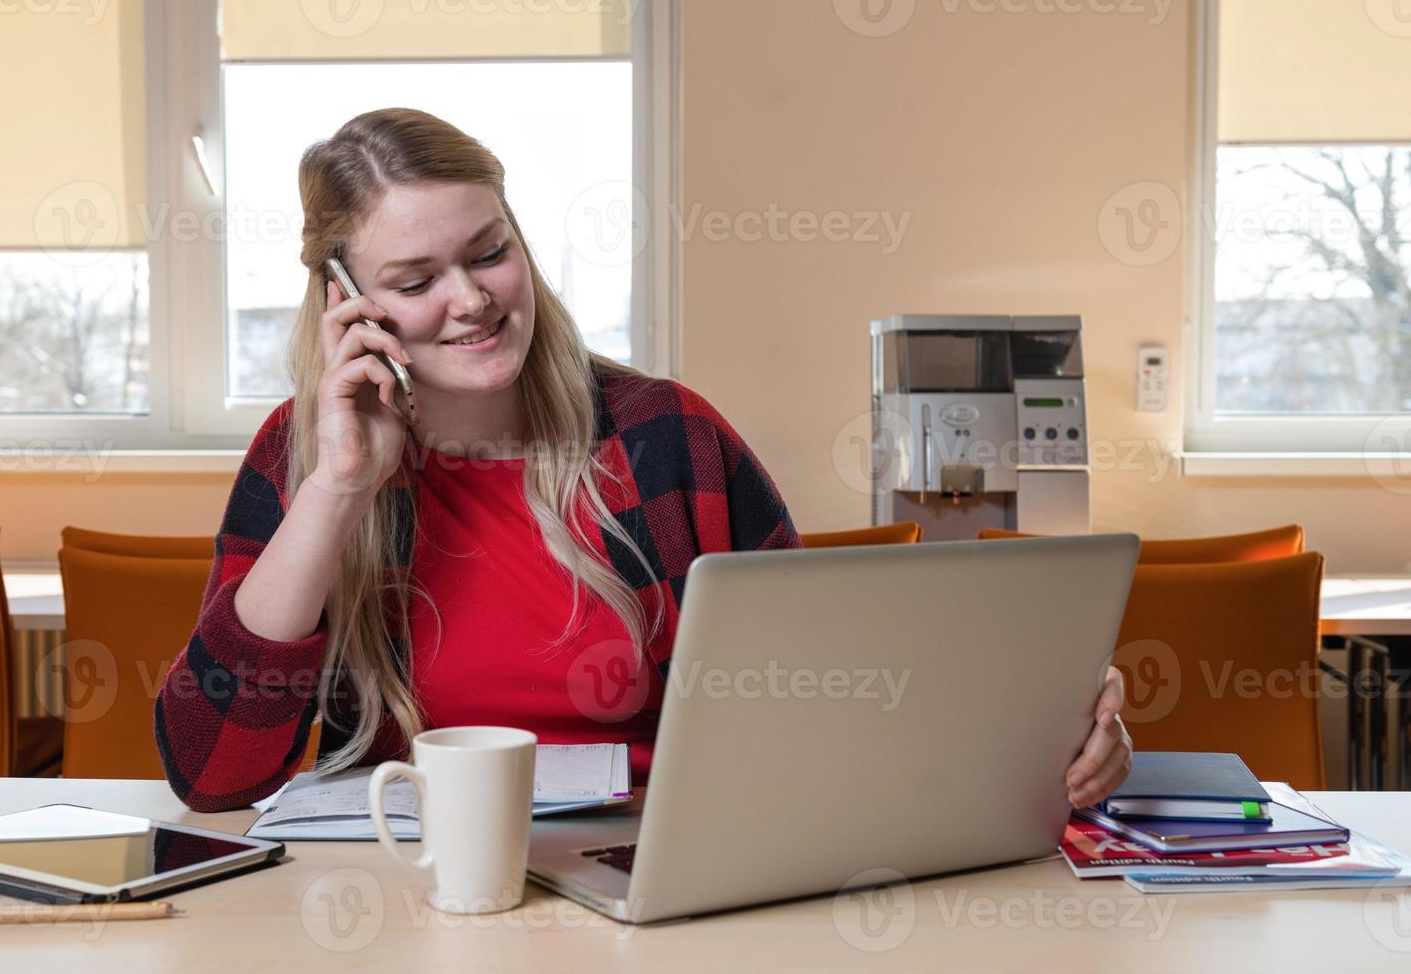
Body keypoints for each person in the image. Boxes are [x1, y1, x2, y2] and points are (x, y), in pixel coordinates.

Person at [154, 107, 1131, 814]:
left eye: (489, 251)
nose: (471, 300)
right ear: (343, 303)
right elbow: (213, 774)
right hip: (417, 890)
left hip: (657, 879)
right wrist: (335, 489)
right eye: (414, 281)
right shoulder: (300, 453)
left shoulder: (668, 438)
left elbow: (832, 699)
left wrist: (1049, 728)